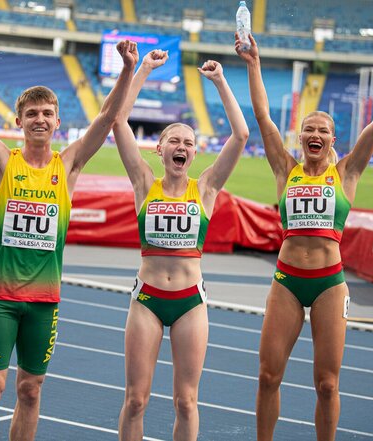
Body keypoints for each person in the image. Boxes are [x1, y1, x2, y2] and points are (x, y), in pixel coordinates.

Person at [0, 25, 136, 440]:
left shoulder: (67, 167)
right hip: (0, 298)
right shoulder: (1, 160)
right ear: (19, 121)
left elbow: (105, 118)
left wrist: (126, 70)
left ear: (57, 122)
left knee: (30, 391)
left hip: (44, 302)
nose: (40, 119)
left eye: (47, 113)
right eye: (32, 114)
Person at [236, 32, 373, 440]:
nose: (315, 134)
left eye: (322, 130)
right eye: (308, 130)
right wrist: (253, 64)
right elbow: (264, 117)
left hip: (329, 286)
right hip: (286, 281)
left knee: (327, 384)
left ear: (332, 140)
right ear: (300, 138)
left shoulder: (346, 173)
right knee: (268, 376)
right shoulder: (286, 170)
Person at [114, 49, 249, 441]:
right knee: (136, 399)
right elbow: (118, 119)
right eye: (173, 140)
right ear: (159, 149)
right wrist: (144, 69)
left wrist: (221, 82)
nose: (181, 146)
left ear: (193, 153)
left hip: (191, 301)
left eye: (188, 142)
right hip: (147, 301)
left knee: (186, 401)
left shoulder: (205, 188)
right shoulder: (143, 183)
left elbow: (241, 135)